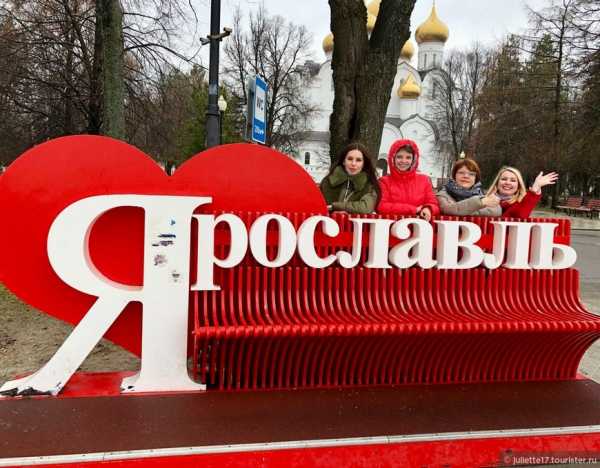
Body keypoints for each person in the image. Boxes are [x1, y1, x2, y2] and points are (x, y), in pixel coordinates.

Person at [377, 139, 439, 221]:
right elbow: (382, 206)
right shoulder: (384, 182)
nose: (404, 161)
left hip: (420, 226)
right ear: (393, 158)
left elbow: (434, 204)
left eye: (408, 157)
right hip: (392, 226)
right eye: (399, 157)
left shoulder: (424, 180)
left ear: (413, 160)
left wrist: (428, 208)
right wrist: (413, 209)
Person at [320, 142, 380, 214]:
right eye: (350, 159)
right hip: (327, 220)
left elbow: (366, 208)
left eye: (358, 160)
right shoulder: (327, 182)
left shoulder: (369, 185)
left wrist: (335, 206)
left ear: (364, 164)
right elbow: (316, 204)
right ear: (344, 161)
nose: (353, 163)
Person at [486, 166, 558, 219]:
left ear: (518, 186)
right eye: (504, 179)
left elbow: (519, 215)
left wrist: (534, 190)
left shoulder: (520, 203)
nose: (507, 182)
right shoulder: (484, 201)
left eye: (513, 180)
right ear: (497, 183)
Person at [437, 158, 501, 216]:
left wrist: (464, 211)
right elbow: (448, 210)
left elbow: (496, 210)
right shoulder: (443, 194)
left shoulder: (482, 194)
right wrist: (480, 202)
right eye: (461, 173)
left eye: (471, 174)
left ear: (475, 178)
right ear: (454, 175)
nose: (466, 176)